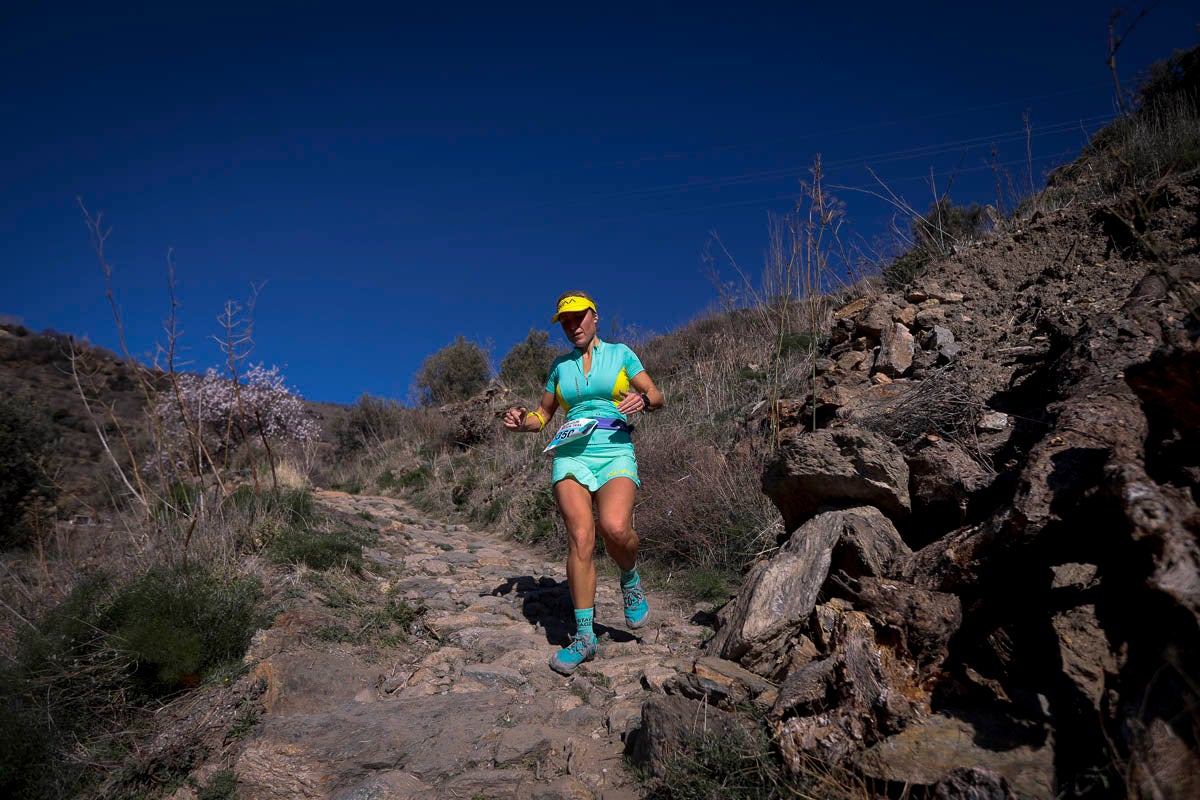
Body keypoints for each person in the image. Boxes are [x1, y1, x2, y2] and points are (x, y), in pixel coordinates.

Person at [503, 291, 664, 675]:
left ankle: (629, 578)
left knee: (615, 528)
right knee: (581, 537)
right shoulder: (559, 368)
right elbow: (542, 415)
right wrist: (520, 421)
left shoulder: (621, 354)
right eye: (565, 322)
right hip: (571, 453)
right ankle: (585, 637)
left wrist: (643, 400)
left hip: (613, 449)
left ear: (594, 317)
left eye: (578, 318)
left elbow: (656, 395)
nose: (572, 326)